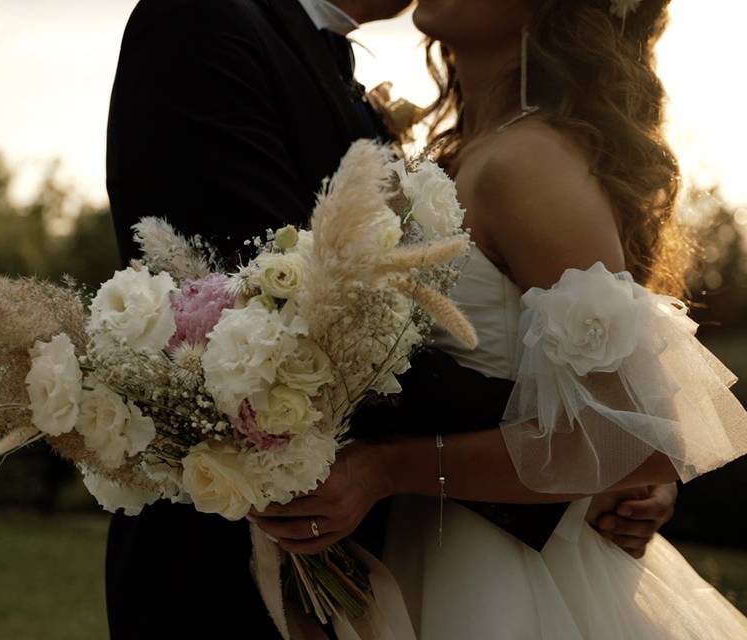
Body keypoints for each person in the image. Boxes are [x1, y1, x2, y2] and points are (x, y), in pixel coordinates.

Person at [105, 0, 677, 637]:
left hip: (490, 576)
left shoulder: (531, 163)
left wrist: (596, 466)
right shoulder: (448, 152)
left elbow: (637, 430)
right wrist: (581, 471)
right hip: (390, 549)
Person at [249, 0, 747, 637]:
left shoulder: (530, 164)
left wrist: (385, 470)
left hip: (508, 578)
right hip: (424, 547)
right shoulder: (464, 152)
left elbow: (642, 438)